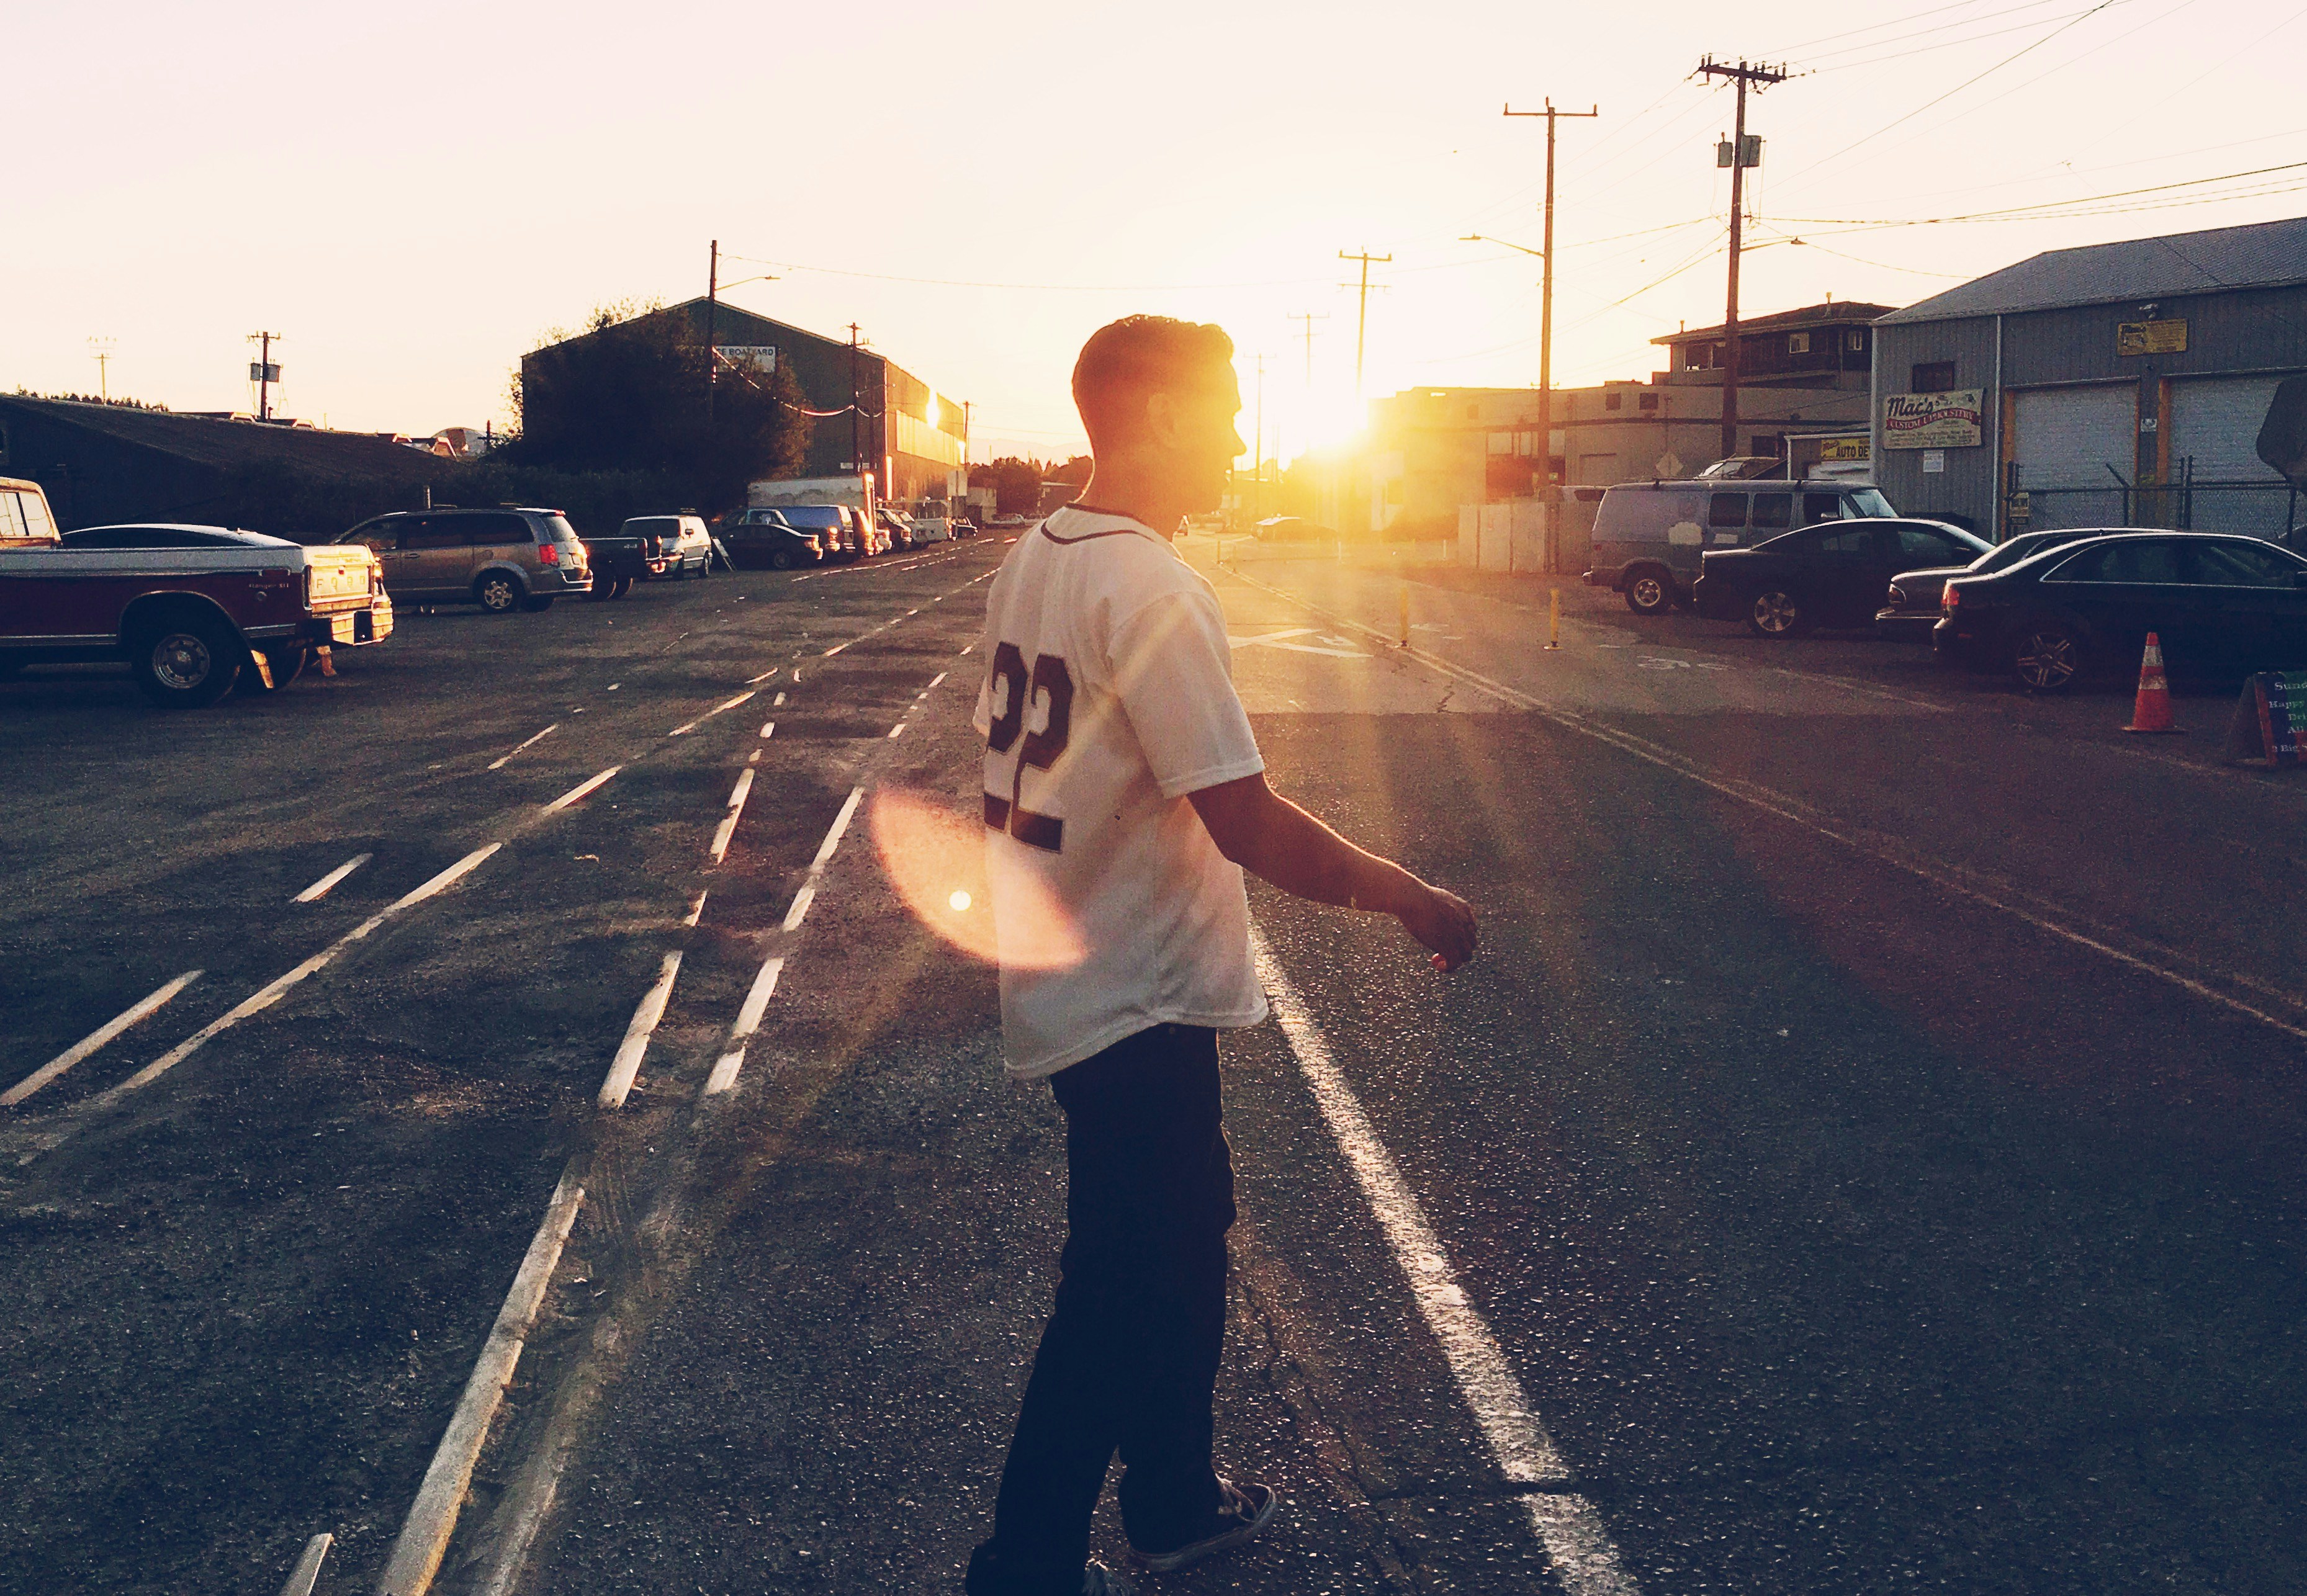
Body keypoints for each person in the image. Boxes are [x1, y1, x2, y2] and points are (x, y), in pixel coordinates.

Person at [968, 315, 1478, 1596]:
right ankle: (1022, 1561)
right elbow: (1243, 817)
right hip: (1125, 989)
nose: (1241, 437)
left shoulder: (1039, 553)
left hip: (1077, 967)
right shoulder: (1146, 583)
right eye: (1225, 410)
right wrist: (1409, 894)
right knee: (1120, 1277)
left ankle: (1176, 1493)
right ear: (1149, 418)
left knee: (1184, 1243)